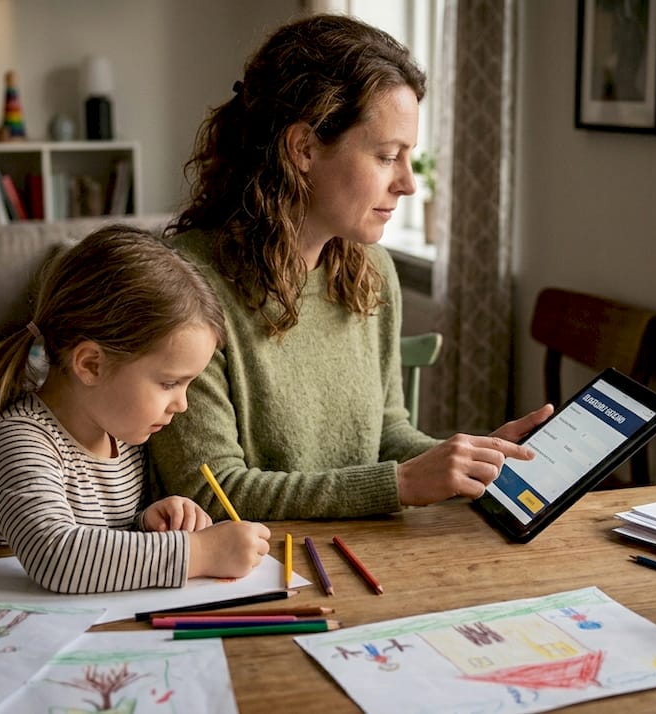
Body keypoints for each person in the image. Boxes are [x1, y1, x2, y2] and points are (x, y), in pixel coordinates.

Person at [148, 14, 553, 521]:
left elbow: (386, 435)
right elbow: (212, 493)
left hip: (365, 556)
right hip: (256, 578)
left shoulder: (372, 271)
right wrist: (401, 484)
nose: (408, 183)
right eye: (387, 156)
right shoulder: (186, 287)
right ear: (305, 148)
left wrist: (474, 460)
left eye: (409, 157)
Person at [0, 225, 271, 594]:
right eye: (168, 383)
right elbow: (58, 558)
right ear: (91, 365)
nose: (182, 404)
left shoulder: (120, 436)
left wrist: (146, 524)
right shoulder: (17, 442)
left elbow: (99, 541)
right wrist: (199, 552)